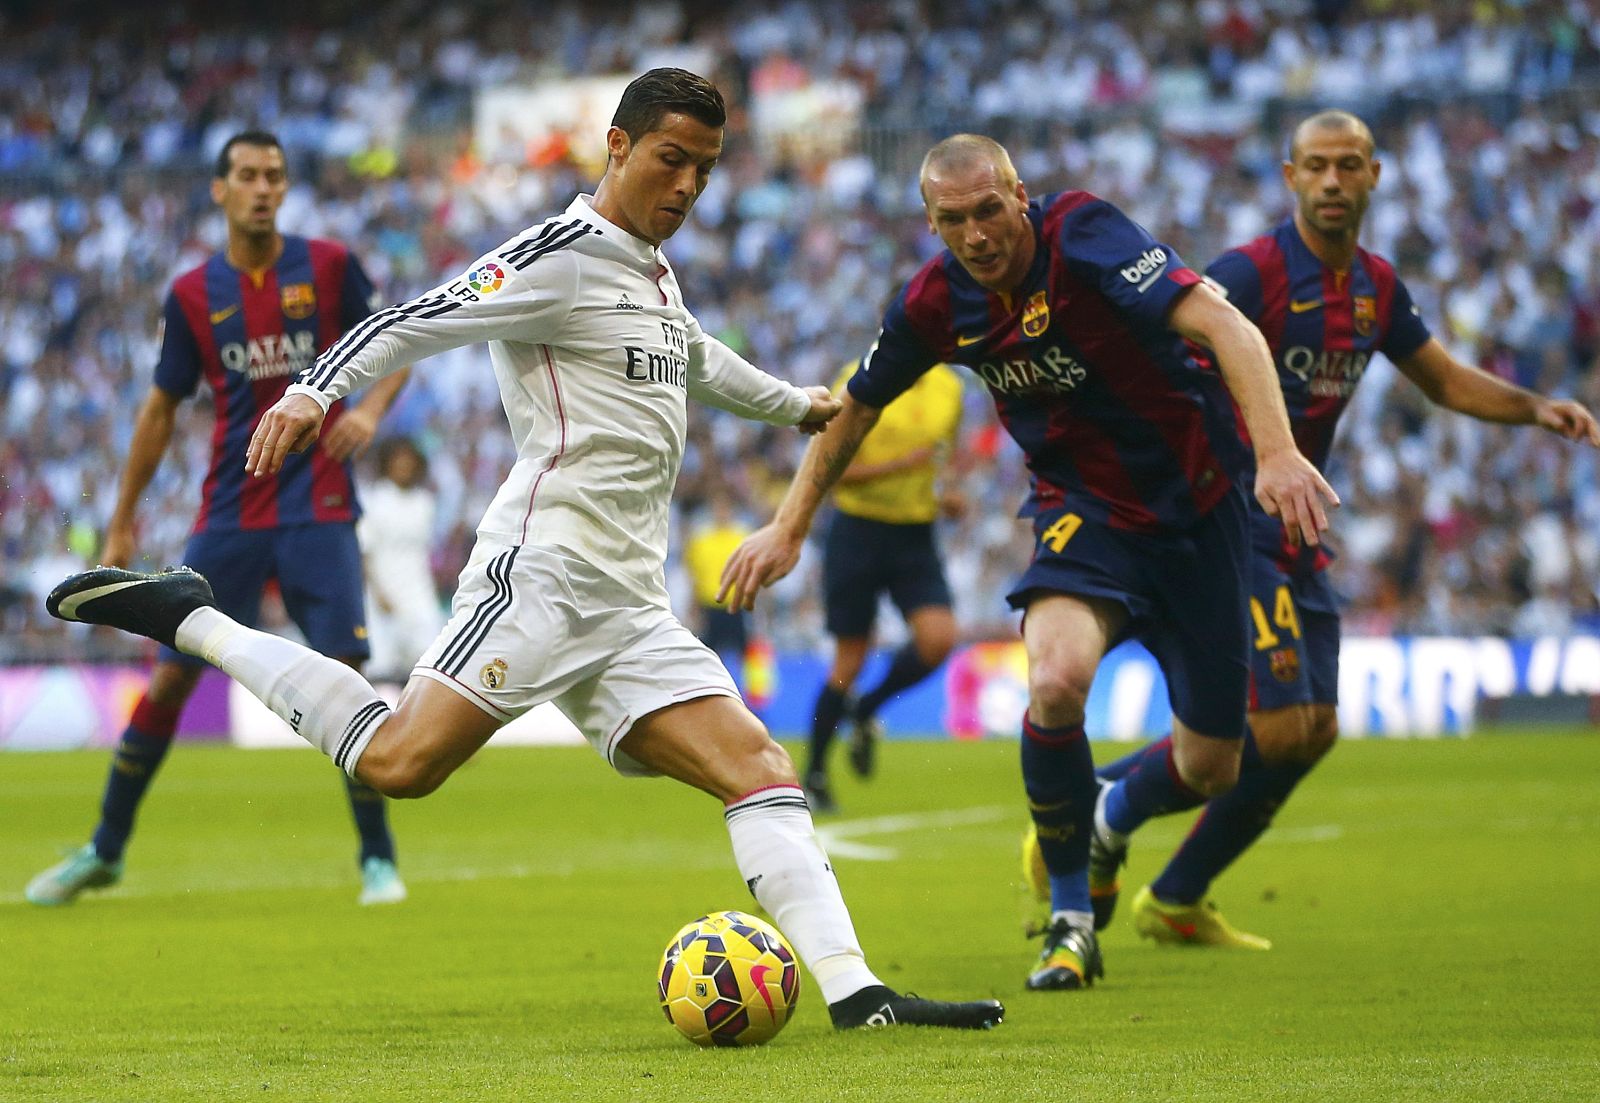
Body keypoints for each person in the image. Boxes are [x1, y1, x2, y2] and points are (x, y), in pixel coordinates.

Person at [48, 70, 1003, 1031]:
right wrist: (314, 389)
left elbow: (697, 357)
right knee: (400, 762)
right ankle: (193, 617)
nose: (687, 187)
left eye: (706, 171)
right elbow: (410, 318)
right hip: (538, 577)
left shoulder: (654, 274)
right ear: (619, 146)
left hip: (629, 605)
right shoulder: (557, 255)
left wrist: (798, 404)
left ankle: (859, 993)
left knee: (758, 764)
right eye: (672, 160)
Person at [719, 133, 1337, 992]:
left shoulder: (1086, 237)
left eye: (988, 210)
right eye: (953, 220)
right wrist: (788, 526)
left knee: (1211, 765)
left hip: (1201, 513)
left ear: (1021, 195)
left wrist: (1274, 452)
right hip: (1083, 513)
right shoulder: (936, 301)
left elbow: (1225, 324)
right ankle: (1071, 924)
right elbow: (855, 407)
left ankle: (1107, 813)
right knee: (1053, 680)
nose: (976, 234)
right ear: (931, 224)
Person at [1054, 110, 1600, 949]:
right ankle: (1097, 809)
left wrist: (1536, 408)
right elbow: (1164, 359)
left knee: (1314, 731)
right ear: (1290, 176)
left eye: (1350, 165)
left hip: (1304, 523)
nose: (1334, 182)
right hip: (1232, 519)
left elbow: (1444, 379)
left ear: (1376, 175)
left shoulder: (1377, 286)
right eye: (1318, 166)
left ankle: (1174, 896)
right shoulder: (1254, 271)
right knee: (1267, 728)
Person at [27, 131, 412, 908]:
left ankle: (377, 859)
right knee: (170, 680)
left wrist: (369, 410)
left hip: (320, 506)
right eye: (247, 176)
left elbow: (396, 339)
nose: (263, 188)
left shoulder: (330, 267)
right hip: (231, 511)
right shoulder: (193, 295)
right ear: (219, 189)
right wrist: (123, 521)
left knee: (347, 674)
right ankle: (104, 849)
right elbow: (161, 408)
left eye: (275, 175)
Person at [802, 358, 965, 815]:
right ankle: (813, 773)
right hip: (858, 531)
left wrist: (949, 494)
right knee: (848, 662)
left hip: (915, 533)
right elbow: (827, 466)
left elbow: (945, 459)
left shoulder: (948, 387)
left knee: (938, 640)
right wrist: (899, 467)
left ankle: (867, 708)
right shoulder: (858, 382)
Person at [359, 437, 446, 682]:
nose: (404, 468)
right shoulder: (375, 500)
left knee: (428, 656)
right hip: (383, 590)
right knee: (382, 664)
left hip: (418, 589)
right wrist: (379, 593)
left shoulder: (425, 502)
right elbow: (365, 552)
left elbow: (427, 550)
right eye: (399, 462)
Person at [682, 491, 753, 677]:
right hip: (710, 605)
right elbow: (695, 577)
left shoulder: (742, 538)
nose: (721, 512)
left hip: (736, 605)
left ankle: (753, 700)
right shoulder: (701, 541)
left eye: (725, 508)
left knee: (747, 655)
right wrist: (694, 606)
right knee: (709, 656)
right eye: (718, 508)